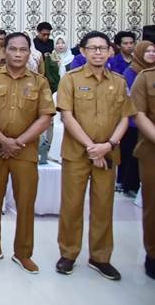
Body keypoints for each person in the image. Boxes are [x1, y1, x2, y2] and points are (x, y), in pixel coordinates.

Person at [55, 31, 135, 281]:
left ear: (111, 51)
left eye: (103, 48)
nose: (98, 52)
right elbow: (67, 116)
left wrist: (108, 145)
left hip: (108, 154)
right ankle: (68, 253)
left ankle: (100, 257)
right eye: (93, 48)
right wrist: (92, 147)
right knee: (72, 205)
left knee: (103, 206)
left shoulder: (120, 82)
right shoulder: (71, 79)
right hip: (77, 154)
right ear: (83, 51)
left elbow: (125, 117)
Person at [0, 32, 54, 273]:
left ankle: (23, 253)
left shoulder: (39, 81)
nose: (18, 54)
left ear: (30, 53)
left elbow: (46, 117)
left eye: (23, 50)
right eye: (13, 49)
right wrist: (2, 140)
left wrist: (17, 142)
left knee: (26, 203)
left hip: (25, 153)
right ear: (4, 51)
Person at [119, 41, 155, 197]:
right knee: (131, 156)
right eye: (147, 51)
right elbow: (131, 100)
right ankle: (128, 185)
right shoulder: (132, 71)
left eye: (154, 51)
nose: (151, 54)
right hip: (134, 122)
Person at [130, 61, 155, 279]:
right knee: (153, 205)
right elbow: (138, 113)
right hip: (152, 149)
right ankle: (153, 254)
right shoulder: (146, 77)